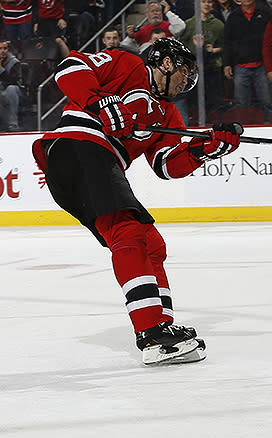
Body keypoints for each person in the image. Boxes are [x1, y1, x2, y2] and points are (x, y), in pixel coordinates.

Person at [30, 38, 241, 365]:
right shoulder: (125, 64)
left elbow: (167, 166)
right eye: (184, 71)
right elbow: (69, 68)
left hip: (99, 163)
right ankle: (152, 333)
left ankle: (163, 326)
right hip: (78, 146)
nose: (186, 81)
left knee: (151, 244)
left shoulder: (169, 114)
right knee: (128, 233)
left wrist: (205, 150)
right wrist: (101, 102)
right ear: (166, 62)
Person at [223, 0, 272, 120]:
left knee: (266, 103)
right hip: (240, 67)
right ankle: (244, 131)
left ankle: (270, 129)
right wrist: (227, 64)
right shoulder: (233, 16)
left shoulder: (265, 13)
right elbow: (227, 42)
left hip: (261, 66)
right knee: (242, 104)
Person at [179, 0, 225, 111]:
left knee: (216, 103)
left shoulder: (218, 24)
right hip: (194, 70)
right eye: (203, 1)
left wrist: (214, 50)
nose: (206, 4)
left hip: (213, 69)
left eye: (209, 2)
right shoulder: (188, 24)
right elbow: (182, 47)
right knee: (193, 104)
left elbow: (226, 46)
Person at [0, 39, 23, 131]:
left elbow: (12, 81)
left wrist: (1, 68)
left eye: (5, 48)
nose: (2, 51)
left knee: (11, 89)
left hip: (14, 91)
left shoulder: (14, 62)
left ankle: (13, 124)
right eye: (0, 48)